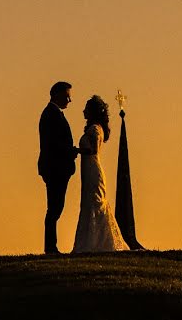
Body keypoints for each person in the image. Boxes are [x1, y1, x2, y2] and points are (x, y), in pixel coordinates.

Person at [72, 95, 128, 253]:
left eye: (86, 108)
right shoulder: (95, 128)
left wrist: (76, 150)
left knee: (94, 203)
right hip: (89, 170)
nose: (83, 111)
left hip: (93, 170)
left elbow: (93, 150)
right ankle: (93, 240)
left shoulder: (95, 129)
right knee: (90, 203)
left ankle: (95, 242)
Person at [38, 81, 79, 254]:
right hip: (55, 168)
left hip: (57, 167)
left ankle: (51, 245)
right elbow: (53, 143)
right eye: (67, 96)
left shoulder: (54, 114)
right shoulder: (50, 115)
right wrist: (73, 150)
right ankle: (50, 246)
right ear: (57, 95)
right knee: (54, 208)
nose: (69, 100)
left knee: (56, 207)